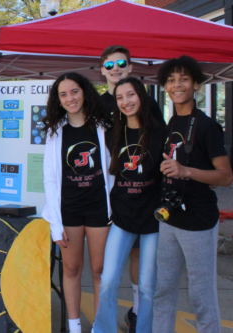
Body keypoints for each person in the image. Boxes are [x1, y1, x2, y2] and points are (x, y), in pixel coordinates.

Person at [152, 56, 233, 332]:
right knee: (162, 290)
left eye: (184, 78)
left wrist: (186, 171)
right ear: (165, 87)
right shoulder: (171, 121)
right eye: (172, 80)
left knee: (201, 296)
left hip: (198, 222)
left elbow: (225, 176)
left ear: (196, 84)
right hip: (169, 220)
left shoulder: (209, 126)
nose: (177, 85)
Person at [99, 45, 166, 330]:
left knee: (149, 286)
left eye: (131, 95)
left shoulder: (159, 130)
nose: (126, 101)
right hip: (122, 215)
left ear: (141, 96)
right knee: (108, 280)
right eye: (120, 98)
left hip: (152, 218)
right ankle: (102, 328)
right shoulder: (112, 131)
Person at [42, 72, 113, 333]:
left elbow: (112, 170)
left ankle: (99, 326)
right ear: (58, 100)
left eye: (74, 91)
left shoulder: (103, 126)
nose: (70, 98)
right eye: (63, 94)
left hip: (98, 208)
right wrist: (55, 224)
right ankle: (74, 328)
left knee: (100, 271)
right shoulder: (54, 132)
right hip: (68, 210)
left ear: (84, 92)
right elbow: (49, 179)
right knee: (71, 269)